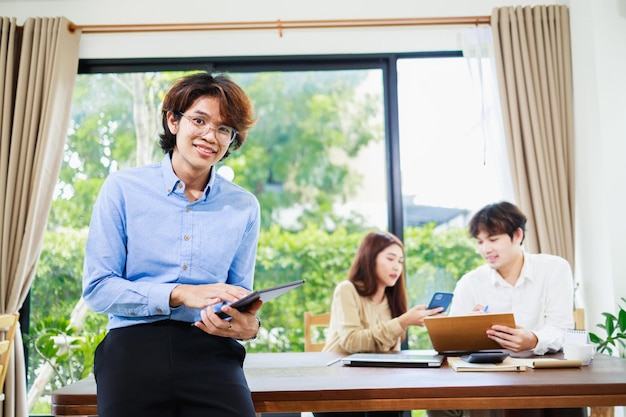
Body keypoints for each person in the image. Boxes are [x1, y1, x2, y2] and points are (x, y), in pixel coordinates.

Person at [82, 73, 262, 417]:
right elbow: (98, 289)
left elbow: (239, 294)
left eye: (224, 129)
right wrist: (178, 294)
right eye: (199, 120)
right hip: (132, 345)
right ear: (173, 121)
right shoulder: (122, 189)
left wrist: (249, 327)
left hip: (210, 347)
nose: (211, 135)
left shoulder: (244, 206)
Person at [427, 201, 577, 417]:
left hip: (540, 372)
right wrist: (466, 328)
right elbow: (449, 348)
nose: (485, 249)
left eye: (493, 239)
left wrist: (533, 339)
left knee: (563, 396)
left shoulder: (554, 269)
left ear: (517, 235)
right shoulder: (470, 282)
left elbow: (562, 329)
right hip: (486, 376)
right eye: (480, 242)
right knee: (439, 401)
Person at [318, 231, 444, 417]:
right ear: (370, 258)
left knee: (395, 403)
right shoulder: (347, 289)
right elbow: (351, 342)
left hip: (376, 384)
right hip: (338, 385)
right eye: (391, 259)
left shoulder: (393, 299)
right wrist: (402, 322)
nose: (397, 267)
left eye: (400, 261)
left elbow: (390, 354)